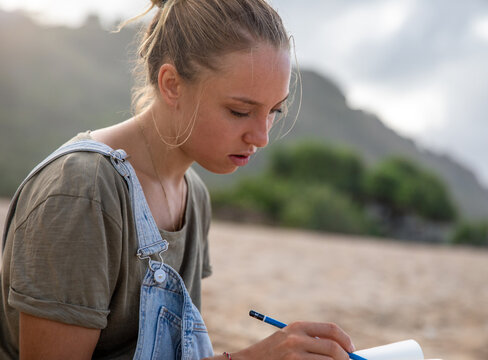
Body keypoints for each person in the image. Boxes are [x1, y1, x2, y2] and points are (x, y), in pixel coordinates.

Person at [0, 0, 356, 358]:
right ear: (171, 84)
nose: (262, 136)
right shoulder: (82, 191)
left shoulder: (193, 194)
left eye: (274, 111)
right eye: (240, 111)